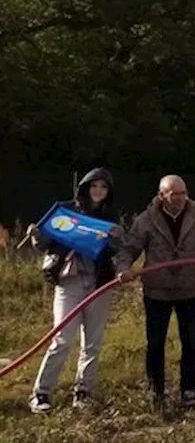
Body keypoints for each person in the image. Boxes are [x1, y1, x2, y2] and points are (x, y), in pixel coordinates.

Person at [115, 175, 195, 407]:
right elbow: (129, 248)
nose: (179, 198)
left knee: (191, 343)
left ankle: (189, 391)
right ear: (161, 196)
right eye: (173, 194)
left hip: (189, 289)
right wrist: (124, 267)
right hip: (157, 291)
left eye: (182, 193)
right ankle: (155, 391)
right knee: (155, 343)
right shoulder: (146, 220)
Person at [28, 168, 122, 413]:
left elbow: (115, 250)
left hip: (99, 282)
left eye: (103, 187)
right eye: (94, 186)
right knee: (62, 339)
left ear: (108, 191)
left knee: (92, 342)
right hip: (69, 282)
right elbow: (45, 244)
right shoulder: (66, 211)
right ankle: (41, 392)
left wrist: (115, 239)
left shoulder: (110, 217)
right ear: (85, 188)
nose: (98, 191)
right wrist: (36, 236)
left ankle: (83, 392)